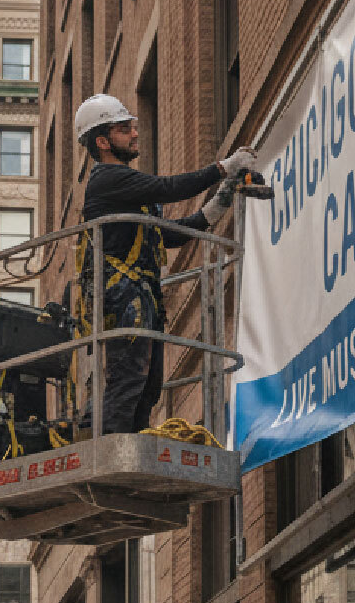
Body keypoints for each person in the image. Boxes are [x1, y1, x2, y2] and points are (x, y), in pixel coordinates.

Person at [75, 93, 257, 435]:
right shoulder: (107, 180)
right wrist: (223, 168)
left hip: (142, 300)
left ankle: (133, 447)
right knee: (129, 380)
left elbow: (169, 237)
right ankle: (113, 449)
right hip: (122, 299)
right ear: (102, 141)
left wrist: (218, 204)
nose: (134, 133)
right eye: (124, 129)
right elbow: (169, 187)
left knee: (148, 387)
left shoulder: (128, 191)